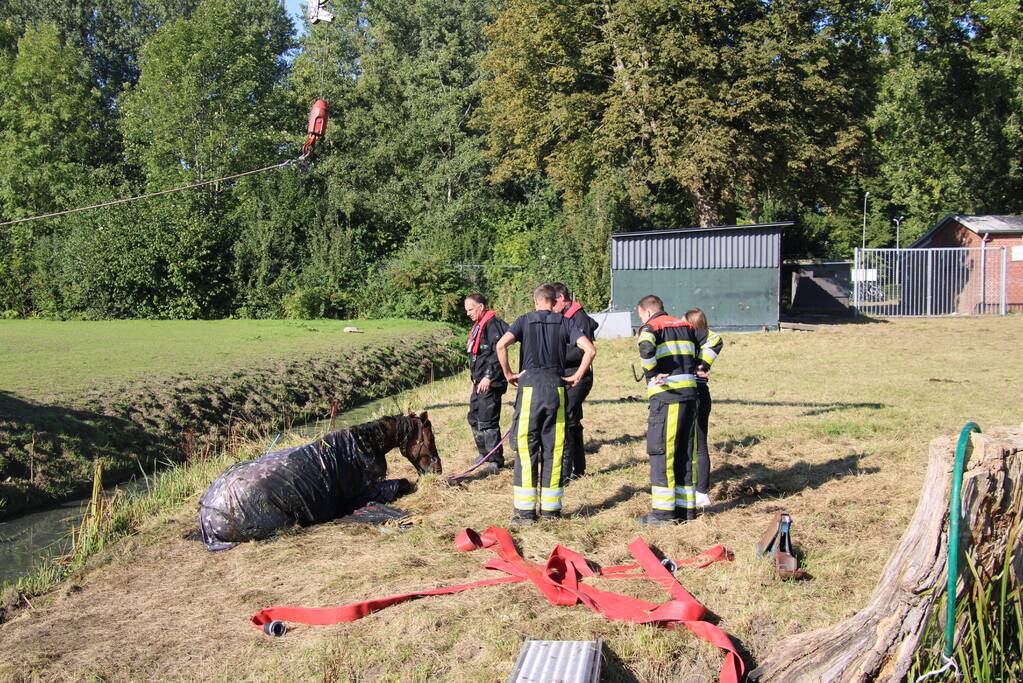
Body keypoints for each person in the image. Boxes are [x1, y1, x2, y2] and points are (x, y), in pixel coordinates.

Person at [496, 284, 596, 524]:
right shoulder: (565, 322)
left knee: (526, 448)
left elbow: (501, 345)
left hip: (530, 388)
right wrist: (577, 376)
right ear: (554, 302)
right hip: (556, 389)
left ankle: (525, 514)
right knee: (555, 448)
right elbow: (590, 350)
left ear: (535, 301)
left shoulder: (523, 320)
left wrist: (509, 374)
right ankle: (551, 512)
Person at [635, 294, 709, 526]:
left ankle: (663, 514)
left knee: (662, 452)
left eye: (640, 315)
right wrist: (702, 364)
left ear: (647, 311)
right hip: (691, 396)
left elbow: (646, 347)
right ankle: (686, 510)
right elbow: (713, 339)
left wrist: (651, 373)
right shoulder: (686, 325)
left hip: (668, 398)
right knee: (685, 453)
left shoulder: (652, 327)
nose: (642, 319)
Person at [551, 282, 598, 479]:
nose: (551, 306)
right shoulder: (564, 316)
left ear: (562, 298)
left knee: (567, 420)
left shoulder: (579, 318)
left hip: (579, 375)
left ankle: (565, 472)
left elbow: (582, 351)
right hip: (567, 375)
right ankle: (579, 468)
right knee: (574, 421)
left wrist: (554, 352)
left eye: (553, 302)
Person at [464, 294, 510, 467]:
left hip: (490, 381)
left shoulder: (493, 325)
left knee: (487, 420)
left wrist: (488, 376)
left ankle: (495, 459)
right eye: (466, 310)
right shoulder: (478, 326)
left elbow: (498, 353)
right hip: (478, 381)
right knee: (474, 417)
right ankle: (484, 454)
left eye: (470, 309)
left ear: (481, 307)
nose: (468, 313)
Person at [684, 308, 723, 508]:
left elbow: (697, 367)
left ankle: (693, 490)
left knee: (689, 445)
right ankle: (701, 492)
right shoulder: (713, 339)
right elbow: (701, 367)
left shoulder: (683, 337)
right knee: (700, 445)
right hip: (702, 393)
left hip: (688, 393)